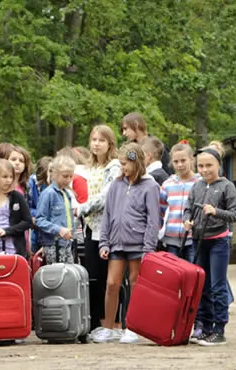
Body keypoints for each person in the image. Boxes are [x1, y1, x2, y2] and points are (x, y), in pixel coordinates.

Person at [91, 142, 160, 344]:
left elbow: (153, 220)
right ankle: (108, 327)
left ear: (136, 163)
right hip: (117, 244)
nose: (122, 168)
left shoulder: (151, 186)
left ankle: (132, 327)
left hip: (139, 245)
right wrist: (104, 243)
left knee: (135, 284)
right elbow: (108, 215)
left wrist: (149, 247)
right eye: (120, 164)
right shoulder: (116, 185)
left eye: (125, 164)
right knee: (112, 284)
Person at [184, 144, 236, 346]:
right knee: (203, 286)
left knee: (217, 286)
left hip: (218, 241)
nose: (205, 170)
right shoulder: (196, 186)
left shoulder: (227, 186)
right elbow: (188, 209)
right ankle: (204, 327)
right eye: (200, 166)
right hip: (199, 241)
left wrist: (216, 212)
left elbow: (234, 214)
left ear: (219, 165)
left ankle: (219, 329)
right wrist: (187, 220)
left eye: (209, 165)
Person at [78, 124, 121, 336]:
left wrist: (83, 208)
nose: (96, 144)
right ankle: (94, 322)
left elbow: (107, 195)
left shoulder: (114, 166)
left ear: (110, 143)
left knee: (108, 279)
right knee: (92, 277)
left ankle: (111, 323)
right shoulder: (88, 168)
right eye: (93, 140)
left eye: (101, 140)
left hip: (108, 229)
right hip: (89, 228)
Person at [159, 142, 201, 262]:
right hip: (171, 239)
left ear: (191, 159)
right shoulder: (167, 184)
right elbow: (159, 212)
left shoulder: (200, 183)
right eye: (176, 162)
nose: (180, 165)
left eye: (183, 160)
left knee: (193, 273)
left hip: (193, 239)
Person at [34, 155, 77, 264]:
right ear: (55, 174)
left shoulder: (67, 194)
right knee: (57, 276)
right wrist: (59, 229)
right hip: (53, 244)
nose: (68, 180)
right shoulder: (48, 193)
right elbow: (40, 220)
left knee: (69, 275)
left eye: (71, 177)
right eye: (65, 176)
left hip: (67, 244)